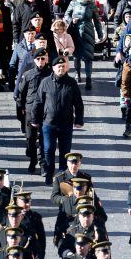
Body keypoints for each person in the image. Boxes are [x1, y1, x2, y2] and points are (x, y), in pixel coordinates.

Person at [33, 56, 84, 185]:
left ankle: (62, 175)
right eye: (58, 67)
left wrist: (79, 119)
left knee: (65, 151)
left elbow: (78, 103)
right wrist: (35, 119)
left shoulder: (71, 83)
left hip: (66, 124)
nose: (61, 68)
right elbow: (38, 102)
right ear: (53, 68)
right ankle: (49, 173)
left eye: (63, 66)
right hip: (49, 123)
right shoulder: (45, 82)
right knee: (49, 149)